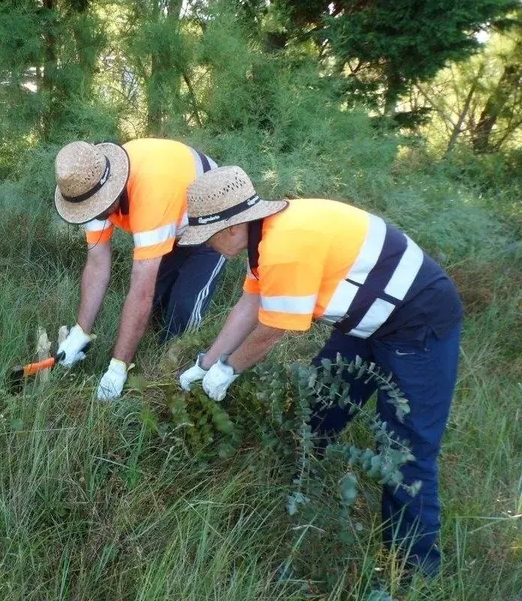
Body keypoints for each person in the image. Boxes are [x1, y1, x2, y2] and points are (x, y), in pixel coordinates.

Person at [177, 165, 462, 576]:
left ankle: (414, 571)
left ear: (234, 225)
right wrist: (205, 363)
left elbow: (272, 330)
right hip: (366, 322)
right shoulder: (264, 238)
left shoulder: (285, 245)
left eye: (208, 235)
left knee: (405, 451)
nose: (205, 245)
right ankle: (299, 480)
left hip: (419, 321)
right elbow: (249, 306)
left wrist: (229, 370)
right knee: (320, 403)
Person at [53, 139, 225, 400]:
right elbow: (97, 266)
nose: (94, 214)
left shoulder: (150, 194)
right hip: (172, 216)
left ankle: (172, 380)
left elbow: (140, 292)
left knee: (182, 312)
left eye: (97, 208)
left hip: (212, 222)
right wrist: (81, 331)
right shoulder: (87, 188)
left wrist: (117, 368)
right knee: (154, 305)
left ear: (113, 190)